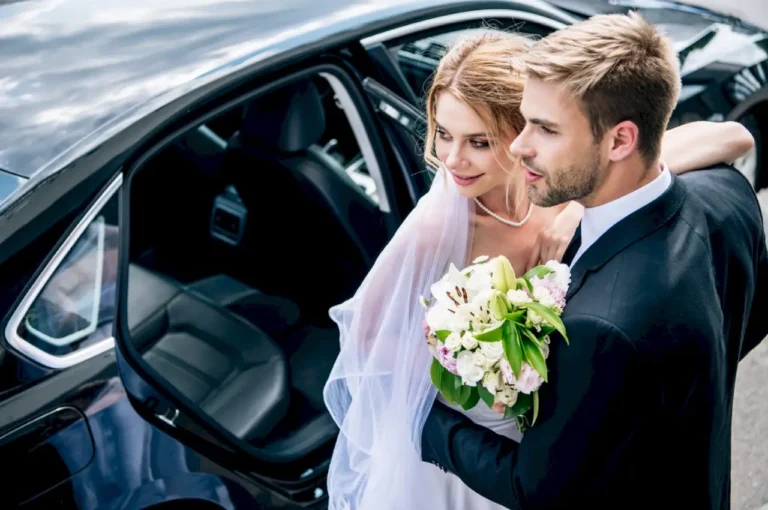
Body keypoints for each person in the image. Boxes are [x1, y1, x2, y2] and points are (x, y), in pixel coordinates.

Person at [322, 27, 757, 510]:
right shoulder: (437, 231)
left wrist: (573, 212)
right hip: (470, 459)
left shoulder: (571, 187)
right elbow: (365, 345)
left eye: (480, 142)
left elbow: (729, 137)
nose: (451, 158)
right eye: (443, 133)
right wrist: (431, 393)